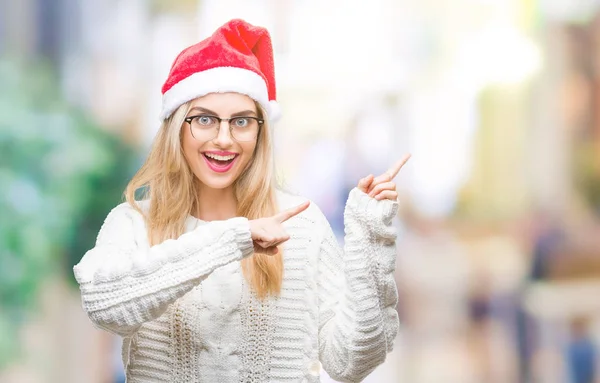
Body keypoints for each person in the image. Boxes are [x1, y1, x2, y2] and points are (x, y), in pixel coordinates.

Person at [73, 18, 409, 383]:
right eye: (204, 119)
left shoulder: (301, 224)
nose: (224, 138)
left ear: (260, 131)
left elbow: (348, 363)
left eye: (242, 121)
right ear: (175, 128)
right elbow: (104, 304)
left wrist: (371, 240)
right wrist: (235, 240)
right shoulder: (135, 222)